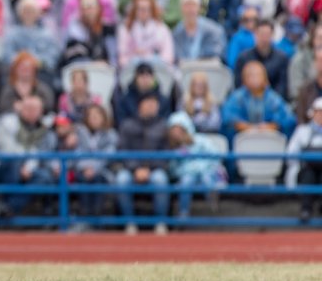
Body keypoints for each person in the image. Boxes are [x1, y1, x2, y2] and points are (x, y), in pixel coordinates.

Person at [0, 95, 59, 218]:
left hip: (31, 169)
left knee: (45, 178)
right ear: (20, 108)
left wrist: (29, 166)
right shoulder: (7, 122)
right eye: (28, 108)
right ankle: (6, 208)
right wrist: (25, 164)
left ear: (41, 111)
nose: (31, 112)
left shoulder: (44, 129)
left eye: (35, 109)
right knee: (13, 164)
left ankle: (9, 208)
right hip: (5, 167)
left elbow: (46, 152)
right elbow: (7, 150)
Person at [116, 94, 170, 235]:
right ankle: (129, 222)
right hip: (131, 169)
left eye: (154, 104)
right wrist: (135, 168)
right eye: (148, 103)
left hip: (155, 169)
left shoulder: (163, 126)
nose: (152, 107)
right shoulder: (127, 125)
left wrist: (148, 168)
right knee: (121, 180)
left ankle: (160, 222)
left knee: (160, 180)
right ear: (140, 105)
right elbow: (122, 150)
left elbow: (166, 154)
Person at [167, 111, 227, 220]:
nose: (176, 133)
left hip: (207, 171)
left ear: (186, 129)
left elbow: (215, 156)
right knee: (186, 181)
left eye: (179, 129)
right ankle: (183, 213)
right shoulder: (172, 148)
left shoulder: (201, 140)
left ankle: (213, 210)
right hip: (187, 174)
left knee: (207, 179)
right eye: (173, 130)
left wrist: (201, 166)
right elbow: (172, 170)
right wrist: (185, 166)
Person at [222, 61, 296, 139]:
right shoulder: (236, 98)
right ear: (243, 79)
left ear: (265, 78)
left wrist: (271, 127)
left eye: (257, 75)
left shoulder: (274, 99)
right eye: (250, 75)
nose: (254, 79)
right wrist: (248, 128)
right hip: (242, 142)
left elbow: (288, 119)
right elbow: (227, 118)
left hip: (269, 141)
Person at [73, 104, 117, 222]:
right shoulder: (79, 133)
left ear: (103, 117)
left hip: (103, 172)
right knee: (83, 180)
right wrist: (86, 167)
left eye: (97, 115)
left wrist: (94, 168)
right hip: (83, 171)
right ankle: (84, 217)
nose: (94, 118)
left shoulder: (110, 134)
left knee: (98, 180)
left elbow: (109, 154)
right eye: (91, 116)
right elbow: (77, 152)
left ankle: (97, 219)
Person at [285, 97, 322, 221]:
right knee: (308, 175)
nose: (321, 115)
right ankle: (306, 209)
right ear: (312, 113)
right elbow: (291, 152)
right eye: (318, 112)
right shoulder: (302, 131)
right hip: (307, 169)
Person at [117, 0, 174, 69]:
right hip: (133, 68)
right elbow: (122, 54)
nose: (143, 12)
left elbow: (168, 55)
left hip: (157, 68)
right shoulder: (126, 28)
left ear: (152, 10)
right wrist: (136, 55)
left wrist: (150, 57)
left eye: (147, 9)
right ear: (134, 10)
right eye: (140, 9)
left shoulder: (162, 29)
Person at [234, 20, 289, 97]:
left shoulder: (282, 58)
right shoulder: (243, 58)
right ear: (255, 35)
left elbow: (282, 86)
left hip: (273, 102)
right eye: (261, 34)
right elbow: (239, 85)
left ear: (273, 35)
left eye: (267, 35)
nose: (264, 39)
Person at [173, 0, 227, 64]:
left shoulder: (214, 29)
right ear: (181, 9)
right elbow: (176, 55)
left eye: (193, 5)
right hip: (185, 70)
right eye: (187, 6)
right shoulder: (177, 31)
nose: (190, 10)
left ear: (200, 8)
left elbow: (217, 52)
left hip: (208, 67)